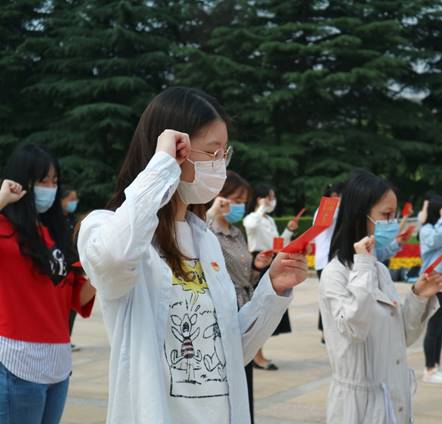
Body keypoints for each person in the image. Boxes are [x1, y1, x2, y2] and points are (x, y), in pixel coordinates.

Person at [77, 87, 307, 423]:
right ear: (174, 150)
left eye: (224, 154)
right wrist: (161, 167)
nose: (220, 166)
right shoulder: (107, 228)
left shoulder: (205, 240)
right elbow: (114, 259)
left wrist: (271, 291)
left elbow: (230, 350)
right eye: (211, 152)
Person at [319, 170, 442, 424]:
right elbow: (356, 328)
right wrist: (364, 265)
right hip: (359, 406)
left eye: (394, 215)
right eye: (386, 215)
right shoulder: (335, 274)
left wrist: (418, 297)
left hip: (393, 397)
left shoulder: (380, 270)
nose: (392, 222)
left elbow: (402, 337)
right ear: (359, 216)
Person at [0, 144, 96, 424]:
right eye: (43, 181)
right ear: (21, 182)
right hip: (17, 359)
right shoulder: (3, 229)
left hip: (58, 361)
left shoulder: (56, 233)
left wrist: (101, 271)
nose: (50, 188)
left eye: (54, 181)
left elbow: (77, 297)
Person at [205, 170, 275, 422]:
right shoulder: (205, 230)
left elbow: (245, 276)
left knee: (243, 378)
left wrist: (256, 266)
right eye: (235, 200)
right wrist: (211, 214)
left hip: (244, 308)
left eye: (243, 201)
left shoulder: (236, 232)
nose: (239, 207)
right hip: (221, 312)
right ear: (219, 197)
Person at [243, 185, 298, 371]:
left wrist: (288, 231)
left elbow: (278, 244)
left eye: (272, 198)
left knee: (269, 307)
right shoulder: (253, 217)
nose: (272, 201)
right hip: (258, 261)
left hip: (271, 260)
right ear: (259, 198)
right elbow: (250, 225)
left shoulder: (269, 220)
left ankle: (258, 354)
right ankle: (256, 356)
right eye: (269, 197)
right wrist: (260, 208)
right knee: (259, 306)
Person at [419, 195, 442, 385]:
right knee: (434, 326)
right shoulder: (427, 229)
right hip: (434, 280)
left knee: (441, 327)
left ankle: (436, 365)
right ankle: (429, 369)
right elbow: (435, 241)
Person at [314, 182, 344, 346]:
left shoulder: (330, 210)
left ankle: (327, 332)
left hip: (330, 259)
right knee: (329, 298)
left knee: (331, 297)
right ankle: (325, 333)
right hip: (326, 260)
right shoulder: (326, 209)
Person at [60, 186, 81, 352]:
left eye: (75, 199)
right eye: (71, 199)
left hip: (75, 268)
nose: (74, 202)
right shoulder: (53, 222)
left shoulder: (74, 221)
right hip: (61, 269)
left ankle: (67, 338)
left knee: (73, 307)